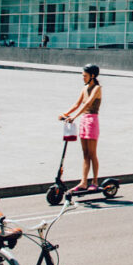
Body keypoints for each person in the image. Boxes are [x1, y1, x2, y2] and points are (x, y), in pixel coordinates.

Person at [59, 64, 103, 193]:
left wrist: (74, 117)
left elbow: (88, 103)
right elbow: (77, 104)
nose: (83, 78)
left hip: (92, 120)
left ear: (92, 76)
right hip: (84, 120)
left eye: (85, 76)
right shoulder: (84, 88)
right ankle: (84, 182)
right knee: (85, 154)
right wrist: (65, 114)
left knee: (92, 153)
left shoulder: (97, 88)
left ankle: (94, 181)